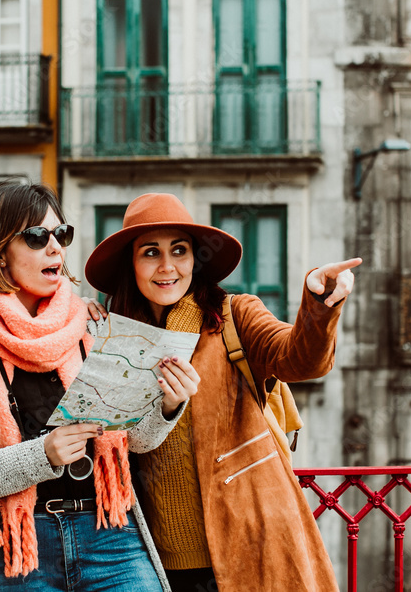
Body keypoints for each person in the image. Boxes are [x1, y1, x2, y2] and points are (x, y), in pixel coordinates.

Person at [84, 193, 360, 592]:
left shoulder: (236, 316)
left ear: (195, 260)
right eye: (150, 252)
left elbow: (300, 360)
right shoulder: (113, 335)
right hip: (147, 563)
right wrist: (77, 315)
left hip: (248, 543)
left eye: (179, 250)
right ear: (132, 263)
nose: (167, 266)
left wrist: (318, 305)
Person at [0, 180, 197, 591]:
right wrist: (41, 455)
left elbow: (134, 440)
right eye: (36, 237)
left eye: (60, 234)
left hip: (109, 531)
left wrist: (167, 406)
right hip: (16, 546)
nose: (55, 248)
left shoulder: (93, 326)